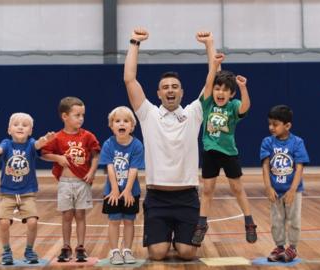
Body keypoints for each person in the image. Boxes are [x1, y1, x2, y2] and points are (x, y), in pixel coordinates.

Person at [123, 27, 212, 260]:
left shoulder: (194, 113)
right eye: (165, 87)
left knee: (187, 253)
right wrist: (135, 43)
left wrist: (209, 45)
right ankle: (164, 237)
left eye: (174, 87)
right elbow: (129, 79)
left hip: (187, 197)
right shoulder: (147, 114)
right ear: (159, 93)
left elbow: (212, 81)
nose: (170, 90)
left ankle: (181, 238)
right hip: (157, 197)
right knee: (157, 254)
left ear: (182, 92)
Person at [192, 31, 257, 246]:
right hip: (210, 152)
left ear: (231, 94)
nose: (220, 92)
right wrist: (213, 65)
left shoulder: (233, 106)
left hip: (229, 154)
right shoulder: (208, 103)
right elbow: (209, 82)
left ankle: (249, 221)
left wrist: (243, 87)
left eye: (224, 90)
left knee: (237, 188)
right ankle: (202, 223)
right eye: (218, 89)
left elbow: (246, 107)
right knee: (207, 189)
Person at [0, 112, 55, 265]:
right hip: (7, 193)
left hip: (28, 193)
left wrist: (45, 140)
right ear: (9, 129)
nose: (20, 127)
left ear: (30, 131)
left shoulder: (31, 144)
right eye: (16, 125)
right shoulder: (7, 144)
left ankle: (29, 250)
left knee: (32, 222)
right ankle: (6, 251)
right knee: (4, 222)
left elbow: (39, 144)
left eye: (25, 125)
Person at [41, 97, 100, 262]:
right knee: (67, 215)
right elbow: (44, 154)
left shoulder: (88, 136)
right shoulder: (57, 137)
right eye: (77, 115)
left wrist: (93, 171)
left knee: (81, 214)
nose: (81, 118)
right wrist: (57, 158)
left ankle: (80, 246)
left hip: (82, 182)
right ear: (64, 116)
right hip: (65, 183)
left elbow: (96, 155)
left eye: (82, 115)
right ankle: (66, 246)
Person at [260, 105, 309, 262]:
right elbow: (266, 165)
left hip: (292, 191)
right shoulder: (267, 142)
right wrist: (268, 187)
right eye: (269, 124)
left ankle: (292, 248)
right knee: (276, 221)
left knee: (294, 220)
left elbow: (299, 167)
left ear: (287, 125)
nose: (271, 127)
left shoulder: (297, 142)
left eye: (275, 124)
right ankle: (279, 246)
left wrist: (293, 190)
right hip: (276, 190)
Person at [99, 106, 144, 265]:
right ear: (111, 126)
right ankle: (115, 252)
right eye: (117, 121)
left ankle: (127, 250)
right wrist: (115, 190)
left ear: (132, 126)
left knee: (129, 221)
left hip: (131, 191)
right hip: (112, 191)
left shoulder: (137, 145)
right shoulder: (108, 144)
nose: (121, 124)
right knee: (114, 221)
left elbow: (133, 169)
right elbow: (110, 167)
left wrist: (127, 190)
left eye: (126, 121)